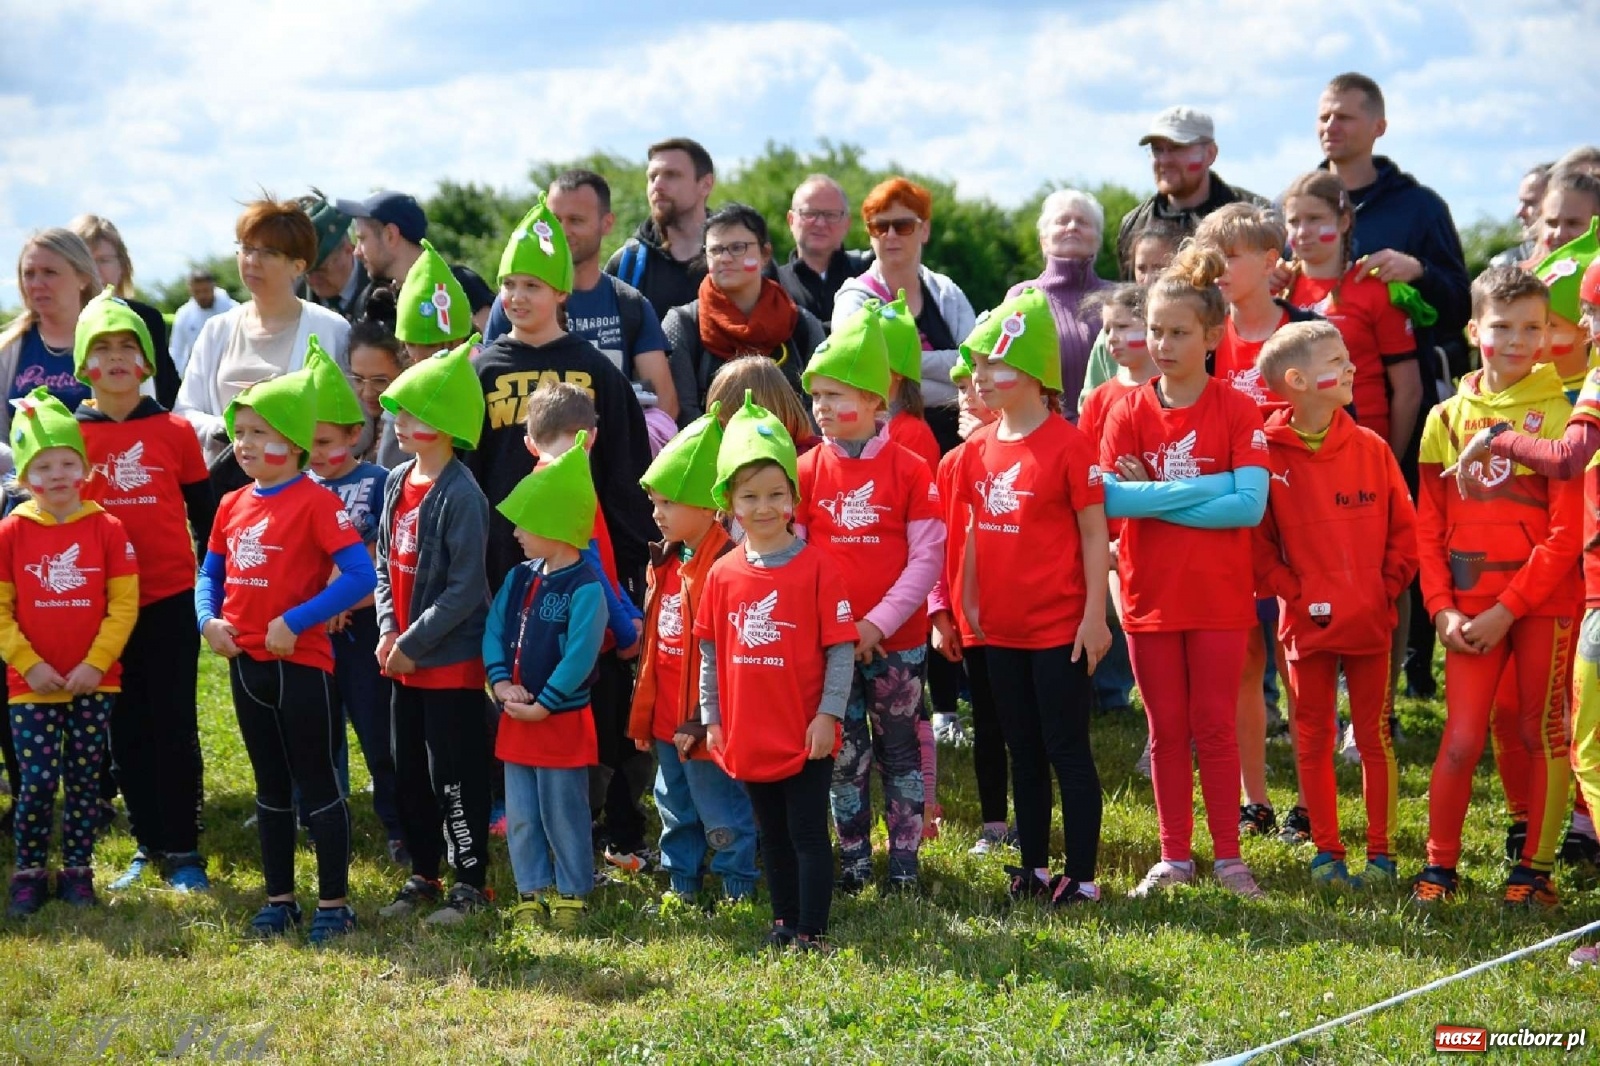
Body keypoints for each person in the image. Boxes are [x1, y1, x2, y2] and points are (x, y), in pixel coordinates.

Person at [1100, 244, 1270, 900]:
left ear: (1211, 336)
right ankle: (1175, 856)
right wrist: (1208, 489)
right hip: (1148, 596)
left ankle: (1229, 856)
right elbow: (1112, 499)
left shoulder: (1235, 409)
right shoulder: (1127, 410)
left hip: (1221, 599)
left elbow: (1249, 506)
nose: (1162, 344)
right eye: (1155, 331)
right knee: (1166, 730)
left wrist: (1159, 497)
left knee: (1215, 726)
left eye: (1178, 332)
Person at [1412, 267, 1582, 907]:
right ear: (1474, 329)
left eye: (1531, 328)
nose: (1516, 340)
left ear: (1546, 336)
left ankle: (1534, 871)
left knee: (1541, 731)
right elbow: (1428, 528)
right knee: (1460, 739)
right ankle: (1439, 869)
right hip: (1467, 609)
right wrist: (1440, 610)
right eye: (1501, 326)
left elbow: (1566, 536)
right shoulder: (1444, 417)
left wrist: (1510, 610)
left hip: (1543, 606)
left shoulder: (1564, 414)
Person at [195, 368, 376, 944]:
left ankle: (333, 903)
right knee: (270, 787)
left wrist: (295, 621)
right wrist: (207, 619)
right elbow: (211, 572)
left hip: (303, 668)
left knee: (318, 782)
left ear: (294, 443)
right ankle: (279, 900)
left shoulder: (317, 502)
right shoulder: (229, 503)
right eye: (239, 431)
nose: (243, 443)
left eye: (258, 431)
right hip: (246, 667)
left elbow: (359, 576)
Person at [948, 289, 1112, 905]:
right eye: (979, 365)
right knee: (1021, 748)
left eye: (995, 364)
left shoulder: (1070, 445)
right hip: (1001, 630)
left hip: (1060, 626)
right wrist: (969, 603)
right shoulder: (975, 450)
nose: (982, 377)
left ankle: (1084, 876)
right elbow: (971, 530)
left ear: (1036, 372)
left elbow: (1095, 533)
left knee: (1065, 746)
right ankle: (1036, 867)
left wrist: (1095, 616)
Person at [1253, 322, 1418, 887]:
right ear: (1297, 381)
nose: (1351, 369)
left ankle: (1381, 853)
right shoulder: (1267, 457)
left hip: (1371, 620)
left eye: (1349, 358)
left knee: (1372, 736)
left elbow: (1406, 532)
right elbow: (1257, 546)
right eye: (1338, 360)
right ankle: (1328, 851)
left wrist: (1382, 586)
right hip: (1305, 627)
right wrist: (1296, 593)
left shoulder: (1372, 448)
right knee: (1313, 736)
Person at [697, 393, 857, 951]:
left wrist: (827, 716)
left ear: (793, 498)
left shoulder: (818, 568)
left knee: (809, 832)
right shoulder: (720, 575)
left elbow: (840, 649)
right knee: (771, 833)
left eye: (775, 494)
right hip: (751, 732)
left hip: (804, 731)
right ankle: (784, 921)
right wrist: (712, 718)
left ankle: (812, 929)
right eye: (750, 496)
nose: (763, 507)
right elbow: (712, 653)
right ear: (730, 505)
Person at [797, 309, 945, 893]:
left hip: (898, 643)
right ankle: (854, 860)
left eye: (837, 396)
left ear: (878, 403)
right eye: (817, 397)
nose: (824, 408)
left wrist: (877, 624)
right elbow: (800, 559)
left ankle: (904, 862)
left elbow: (926, 558)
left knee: (900, 751)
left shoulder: (909, 470)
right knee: (844, 754)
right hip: (831, 645)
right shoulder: (806, 471)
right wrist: (835, 628)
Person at [74, 289, 213, 893]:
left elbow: (208, 519)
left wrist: (216, 589)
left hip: (168, 597)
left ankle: (184, 849)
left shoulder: (176, 431)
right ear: (83, 366)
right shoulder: (70, 436)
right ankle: (147, 841)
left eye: (128, 347)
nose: (115, 359)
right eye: (101, 349)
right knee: (123, 728)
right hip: (100, 608)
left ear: (148, 362)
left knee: (174, 722)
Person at [1192, 203, 1319, 837]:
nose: (1215, 270)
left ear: (1270, 264)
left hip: (1298, 524)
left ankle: (1308, 798)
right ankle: (1255, 797)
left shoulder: (1308, 332)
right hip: (1230, 524)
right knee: (1243, 658)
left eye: (1229, 258)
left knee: (1297, 656)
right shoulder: (1207, 338)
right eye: (1208, 259)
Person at [469, 195, 654, 597]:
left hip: (581, 558)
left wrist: (635, 566)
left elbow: (625, 469)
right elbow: (467, 472)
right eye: (508, 284)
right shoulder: (483, 372)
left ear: (561, 293)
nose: (516, 296)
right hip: (500, 555)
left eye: (532, 285)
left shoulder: (596, 370)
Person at [370, 338, 495, 925]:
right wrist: (389, 630)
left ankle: (469, 883)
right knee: (408, 772)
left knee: (454, 777)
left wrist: (412, 644)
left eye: (413, 413)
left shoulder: (462, 496)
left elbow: (465, 589)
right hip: (402, 660)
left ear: (443, 427)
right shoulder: (397, 479)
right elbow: (380, 563)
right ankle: (424, 873)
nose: (398, 421)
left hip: (447, 665)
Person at [0, 388, 138, 916]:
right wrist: (29, 664)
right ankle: (29, 871)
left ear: (83, 468)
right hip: (29, 685)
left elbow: (122, 606)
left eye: (66, 463)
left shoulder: (108, 529)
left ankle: (78, 869)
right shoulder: (11, 534)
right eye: (43, 466)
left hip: (92, 682)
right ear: (25, 478)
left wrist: (94, 664)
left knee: (84, 780)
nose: (56, 475)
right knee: (35, 784)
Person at [626, 406, 758, 905]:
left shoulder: (728, 564)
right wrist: (646, 718)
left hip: (707, 723)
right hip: (666, 721)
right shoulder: (668, 557)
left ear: (708, 506)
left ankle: (736, 884)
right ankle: (681, 882)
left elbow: (728, 653)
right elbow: (655, 648)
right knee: (672, 801)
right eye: (655, 501)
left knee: (719, 803)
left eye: (669, 502)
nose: (657, 512)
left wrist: (705, 719)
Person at [516, 387, 647, 873]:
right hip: (593, 641)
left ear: (529, 441)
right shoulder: (571, 483)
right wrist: (627, 629)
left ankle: (588, 837)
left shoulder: (538, 476)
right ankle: (615, 840)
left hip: (558, 636)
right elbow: (589, 567)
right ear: (591, 439)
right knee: (608, 746)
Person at [484, 437, 609, 929]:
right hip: (518, 721)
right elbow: (495, 631)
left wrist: (545, 703)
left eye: (526, 523)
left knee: (564, 813)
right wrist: (500, 685)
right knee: (521, 814)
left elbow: (579, 655)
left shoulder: (586, 588)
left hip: (560, 722)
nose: (515, 532)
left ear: (558, 528)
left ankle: (573, 890)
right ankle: (531, 890)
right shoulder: (518, 577)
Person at [302, 338, 404, 866]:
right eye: (309, 443)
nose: (318, 454)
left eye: (327, 441)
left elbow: (383, 555)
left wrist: (348, 597)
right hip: (315, 632)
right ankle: (319, 818)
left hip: (365, 627)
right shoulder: (298, 488)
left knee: (378, 732)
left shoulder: (380, 482)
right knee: (317, 733)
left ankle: (400, 825)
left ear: (354, 433)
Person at [484, 171, 679, 430]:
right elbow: (488, 388)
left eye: (575, 220)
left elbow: (665, 403)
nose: (562, 231)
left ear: (607, 223)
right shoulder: (514, 304)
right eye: (554, 220)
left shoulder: (631, 304)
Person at [174, 197, 350, 472]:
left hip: (306, 494)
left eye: (269, 252)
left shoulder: (332, 330)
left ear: (298, 265)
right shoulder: (216, 330)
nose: (253, 261)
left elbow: (352, 421)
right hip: (225, 496)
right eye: (246, 249)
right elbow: (184, 412)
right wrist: (227, 429)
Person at [928, 354, 1013, 856]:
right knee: (986, 720)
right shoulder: (953, 462)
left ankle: (1032, 818)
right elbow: (939, 544)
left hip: (1026, 618)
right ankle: (995, 823)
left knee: (1026, 727)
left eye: (975, 386)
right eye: (959, 388)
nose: (966, 398)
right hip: (971, 619)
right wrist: (941, 612)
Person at [1281, 171, 1424, 453]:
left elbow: (1409, 391)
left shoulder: (1375, 288)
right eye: (1294, 221)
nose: (1302, 231)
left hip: (1362, 443)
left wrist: (1389, 460)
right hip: (1293, 445)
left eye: (1314, 219)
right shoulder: (1277, 289)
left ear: (1344, 221)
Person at [833, 178, 978, 449]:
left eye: (903, 226)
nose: (890, 235)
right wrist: (952, 385)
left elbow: (974, 363)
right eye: (879, 226)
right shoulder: (854, 299)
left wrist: (901, 366)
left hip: (959, 439)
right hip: (886, 445)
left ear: (924, 230)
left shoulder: (945, 291)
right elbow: (861, 377)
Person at [663, 203, 825, 425]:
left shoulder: (801, 324)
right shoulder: (684, 324)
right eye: (716, 250)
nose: (725, 258)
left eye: (738, 247)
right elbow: (684, 412)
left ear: (765, 253)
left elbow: (819, 405)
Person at [1115, 107, 1270, 278]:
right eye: (1157, 149)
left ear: (1210, 153)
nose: (1164, 160)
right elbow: (1129, 298)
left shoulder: (1255, 215)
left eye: (1176, 148)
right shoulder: (1135, 224)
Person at [0, 229, 107, 472]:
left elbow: (139, 422)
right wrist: (33, 466)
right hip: (26, 499)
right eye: (29, 274)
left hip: (99, 493)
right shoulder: (8, 349)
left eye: (50, 272)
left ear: (83, 278)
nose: (37, 284)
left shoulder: (112, 341)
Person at [1006, 190, 1113, 416]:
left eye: (1083, 222)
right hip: (1045, 436)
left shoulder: (1119, 299)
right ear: (1043, 241)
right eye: (1062, 221)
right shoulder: (1022, 296)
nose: (1072, 226)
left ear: (1098, 240)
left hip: (1112, 434)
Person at [68, 215, 181, 409]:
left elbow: (169, 394)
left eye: (104, 260)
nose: (95, 270)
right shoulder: (57, 322)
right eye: (86, 261)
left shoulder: (146, 319)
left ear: (122, 265)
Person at [606, 138, 715, 318]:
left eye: (671, 175)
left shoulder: (737, 256)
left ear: (705, 184)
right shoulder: (626, 264)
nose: (657, 185)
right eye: (652, 177)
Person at [1080, 221, 1183, 404]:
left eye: (1159, 268)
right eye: (1141, 268)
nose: (1149, 278)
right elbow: (1090, 401)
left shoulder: (1195, 323)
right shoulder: (1108, 337)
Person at [778, 175, 873, 328]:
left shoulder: (869, 275)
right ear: (791, 220)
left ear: (847, 224)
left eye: (831, 215)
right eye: (810, 214)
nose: (821, 223)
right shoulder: (772, 285)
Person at [336, 191, 428, 300]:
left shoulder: (443, 300)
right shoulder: (373, 300)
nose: (356, 252)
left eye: (362, 238)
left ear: (390, 236)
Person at [345, 311, 408, 469]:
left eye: (380, 381)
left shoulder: (407, 436)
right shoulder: (348, 427)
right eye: (358, 379)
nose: (367, 392)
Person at [394, 239, 474, 363]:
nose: (418, 357)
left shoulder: (481, 375)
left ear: (458, 342)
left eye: (430, 346)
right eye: (410, 344)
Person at [300, 193, 368, 322]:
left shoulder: (383, 293)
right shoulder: (292, 297)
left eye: (321, 270)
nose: (312, 280)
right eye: (306, 272)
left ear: (348, 250)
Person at [169, 269, 237, 379]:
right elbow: (177, 351)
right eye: (197, 292)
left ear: (213, 287)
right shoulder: (184, 315)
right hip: (199, 375)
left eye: (205, 290)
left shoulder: (234, 310)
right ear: (190, 290)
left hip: (232, 371)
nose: (202, 296)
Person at [1490, 164, 1554, 268]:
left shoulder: (1586, 263)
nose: (1519, 212)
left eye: (1530, 203)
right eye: (1521, 202)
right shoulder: (1507, 266)